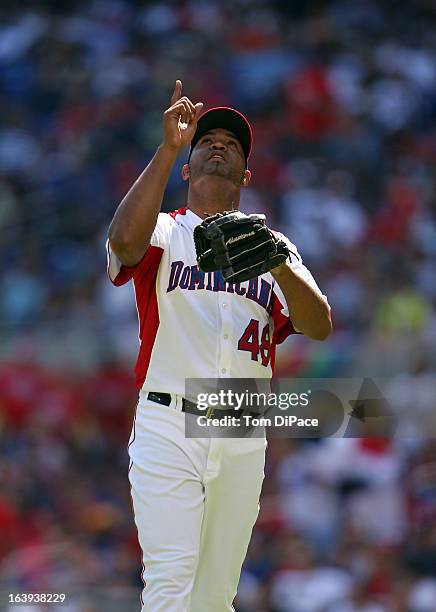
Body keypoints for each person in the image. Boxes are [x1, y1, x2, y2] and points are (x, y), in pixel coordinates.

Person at [106, 79, 332, 612]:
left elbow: (318, 324)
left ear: (246, 174)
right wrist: (166, 148)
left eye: (232, 142)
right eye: (208, 139)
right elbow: (122, 243)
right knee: (171, 587)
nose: (219, 144)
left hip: (242, 429)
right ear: (187, 167)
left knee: (214, 600)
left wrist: (277, 260)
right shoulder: (165, 232)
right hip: (168, 421)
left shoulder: (273, 246)